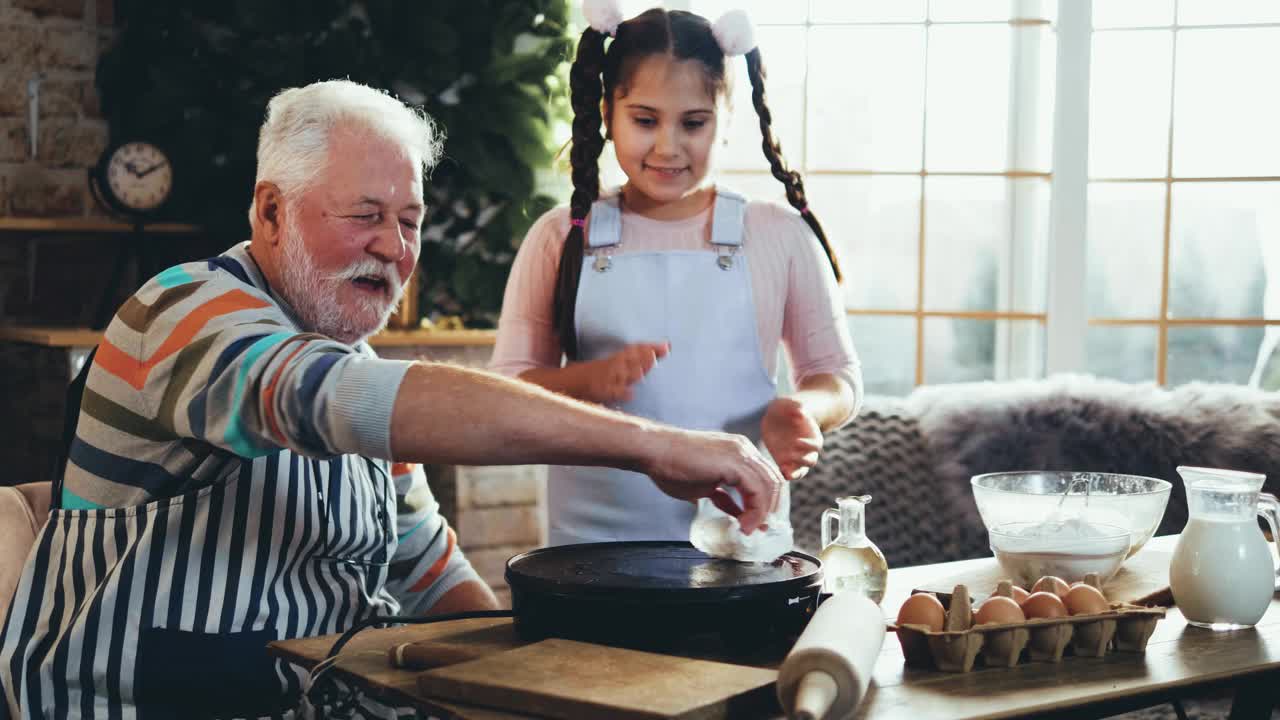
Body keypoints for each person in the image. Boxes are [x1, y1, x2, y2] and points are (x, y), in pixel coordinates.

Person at [0, 79, 784, 720]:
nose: (394, 247)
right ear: (271, 211)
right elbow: (337, 399)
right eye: (366, 216)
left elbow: (429, 572)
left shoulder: (357, 356)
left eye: (409, 221)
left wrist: (529, 680)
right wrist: (656, 445)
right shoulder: (182, 312)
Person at [491, 3, 863, 546]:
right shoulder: (560, 236)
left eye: (693, 123)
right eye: (645, 120)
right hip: (590, 552)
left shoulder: (778, 235)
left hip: (742, 541)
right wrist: (588, 381)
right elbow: (508, 392)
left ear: (728, 117)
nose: (668, 146)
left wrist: (803, 411)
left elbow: (837, 374)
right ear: (607, 113)